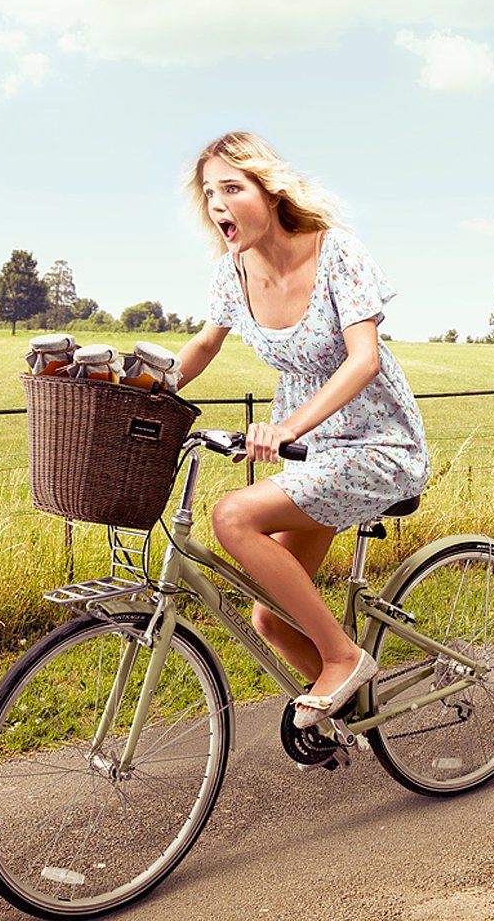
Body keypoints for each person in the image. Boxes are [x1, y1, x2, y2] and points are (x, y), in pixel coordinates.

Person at [174, 132, 429, 729]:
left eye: (232, 188)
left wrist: (286, 425)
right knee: (271, 618)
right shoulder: (231, 274)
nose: (218, 203)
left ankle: (343, 658)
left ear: (269, 191)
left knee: (233, 516)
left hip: (375, 445)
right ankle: (354, 714)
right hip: (312, 454)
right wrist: (144, 390)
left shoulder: (336, 252)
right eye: (209, 193)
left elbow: (364, 359)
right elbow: (205, 345)